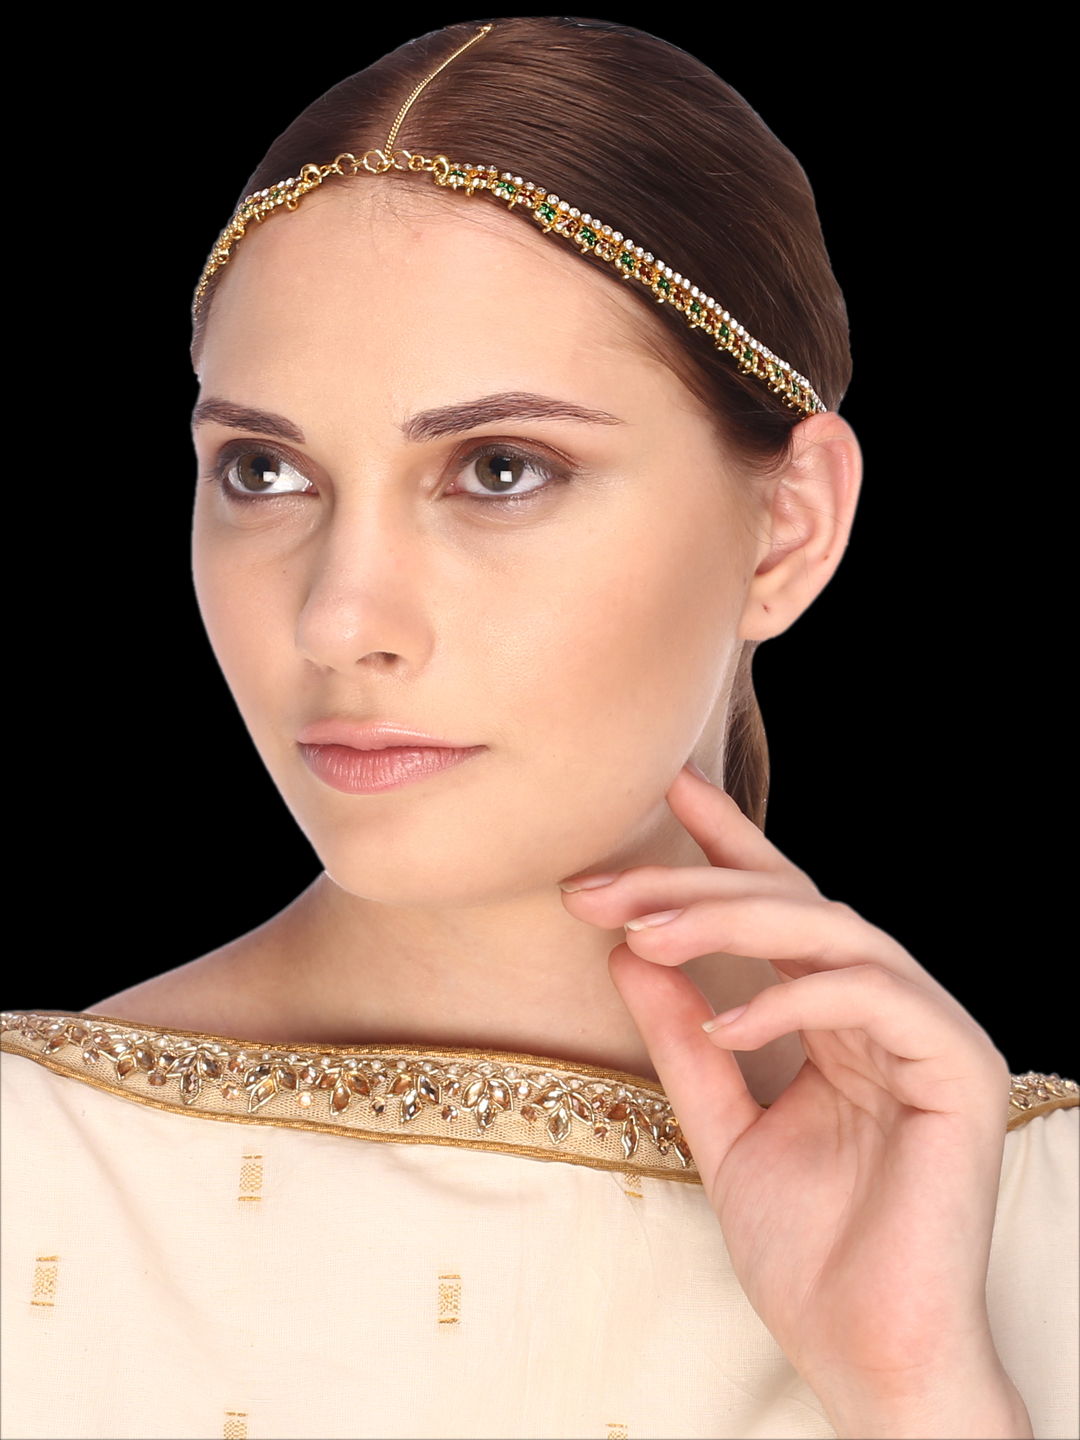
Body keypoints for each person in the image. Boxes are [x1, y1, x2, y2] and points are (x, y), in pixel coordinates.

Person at [2, 17, 1076, 1440]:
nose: (339, 620)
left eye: (501, 469)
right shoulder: (31, 1175)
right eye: (263, 470)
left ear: (787, 528)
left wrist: (921, 1391)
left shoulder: (1038, 1223)